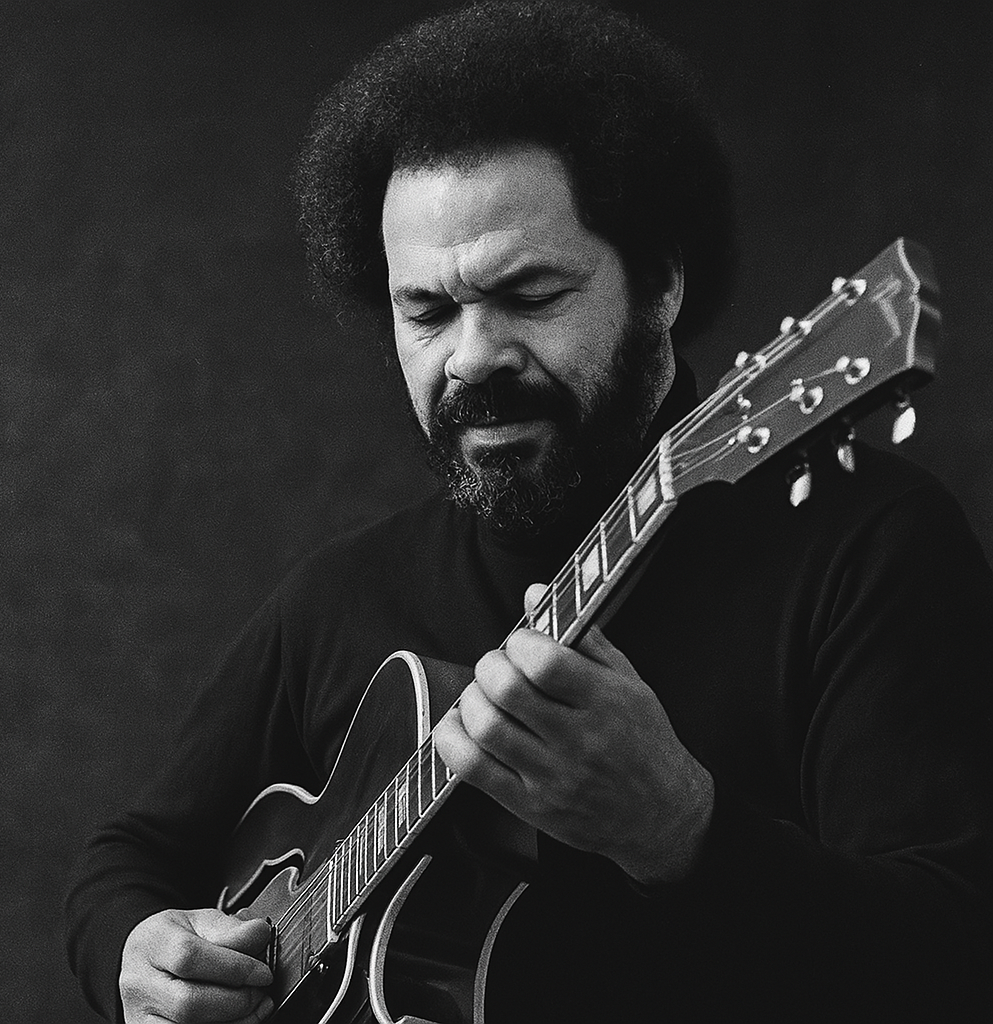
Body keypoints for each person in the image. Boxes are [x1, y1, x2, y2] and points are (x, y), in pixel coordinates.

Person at [65, 3, 993, 1022]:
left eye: (531, 294)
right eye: (427, 311)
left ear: (661, 283)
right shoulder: (339, 598)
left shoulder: (868, 549)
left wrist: (683, 832)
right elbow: (127, 863)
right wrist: (133, 950)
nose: (472, 359)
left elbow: (956, 960)